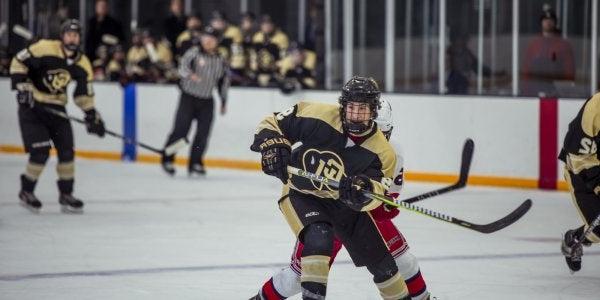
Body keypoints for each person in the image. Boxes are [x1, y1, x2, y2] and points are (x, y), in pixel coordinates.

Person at [250, 99, 430, 299]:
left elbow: (382, 201)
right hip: (320, 204)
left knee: (403, 262)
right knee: (300, 276)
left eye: (384, 133)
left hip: (361, 215)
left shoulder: (390, 152)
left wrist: (381, 203)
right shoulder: (336, 131)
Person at [9, 19, 106, 213]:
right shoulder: (45, 47)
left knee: (67, 152)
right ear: (62, 36)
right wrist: (23, 87)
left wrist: (92, 115)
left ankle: (66, 194)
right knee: (41, 152)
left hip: (57, 109)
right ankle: (26, 191)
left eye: (76, 35)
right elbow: (18, 61)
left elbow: (83, 94)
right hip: (33, 107)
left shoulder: (82, 63)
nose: (72, 38)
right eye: (69, 34)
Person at [161, 26, 230, 177]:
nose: (208, 41)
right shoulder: (194, 53)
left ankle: (196, 162)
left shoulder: (220, 60)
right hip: (188, 98)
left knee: (202, 134)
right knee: (181, 131)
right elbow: (182, 66)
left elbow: (223, 82)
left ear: (217, 41)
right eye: (205, 38)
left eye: (211, 39)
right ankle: (168, 158)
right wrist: (189, 74)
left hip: (207, 101)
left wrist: (224, 101)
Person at [559, 92, 600, 273]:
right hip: (581, 172)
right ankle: (574, 239)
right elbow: (578, 158)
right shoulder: (596, 108)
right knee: (599, 231)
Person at [522, 7, 575, 97]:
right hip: (535, 91)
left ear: (555, 22)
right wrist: (526, 93)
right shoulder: (534, 45)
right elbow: (527, 70)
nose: (548, 22)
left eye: (551, 19)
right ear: (541, 22)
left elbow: (569, 70)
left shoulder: (563, 45)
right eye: (545, 19)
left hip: (557, 92)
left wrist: (565, 91)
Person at [251, 15, 289, 87]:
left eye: (269, 24)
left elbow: (285, 58)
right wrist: (254, 67)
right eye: (264, 24)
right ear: (261, 25)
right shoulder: (257, 37)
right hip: (260, 71)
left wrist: (278, 68)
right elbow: (253, 55)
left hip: (275, 72)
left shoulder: (281, 37)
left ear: (274, 25)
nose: (267, 26)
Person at [209, 11, 245, 85]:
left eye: (221, 20)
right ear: (212, 22)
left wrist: (230, 66)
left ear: (226, 22)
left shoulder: (234, 32)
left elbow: (238, 55)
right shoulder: (208, 33)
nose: (219, 23)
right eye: (216, 20)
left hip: (229, 67)